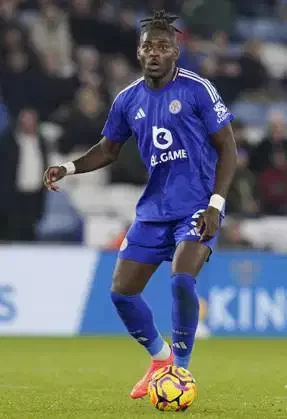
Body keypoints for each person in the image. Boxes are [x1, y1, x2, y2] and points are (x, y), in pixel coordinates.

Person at [43, 10, 237, 399]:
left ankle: (181, 370)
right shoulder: (127, 99)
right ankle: (160, 358)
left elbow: (228, 149)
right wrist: (68, 167)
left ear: (175, 52)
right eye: (149, 45)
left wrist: (216, 205)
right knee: (121, 292)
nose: (155, 52)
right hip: (154, 211)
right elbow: (108, 150)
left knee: (182, 278)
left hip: (197, 205)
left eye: (163, 46)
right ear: (138, 51)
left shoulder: (197, 89)